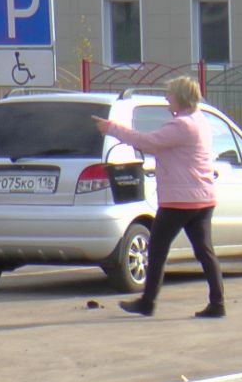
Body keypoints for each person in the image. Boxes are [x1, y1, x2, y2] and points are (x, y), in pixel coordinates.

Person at [93, 76, 224, 318]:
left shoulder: (182, 125)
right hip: (202, 197)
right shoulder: (199, 121)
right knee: (205, 252)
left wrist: (111, 128)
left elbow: (148, 142)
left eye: (170, 94)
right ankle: (217, 303)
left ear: (182, 98)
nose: (166, 99)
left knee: (157, 249)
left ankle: (148, 302)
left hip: (180, 200)